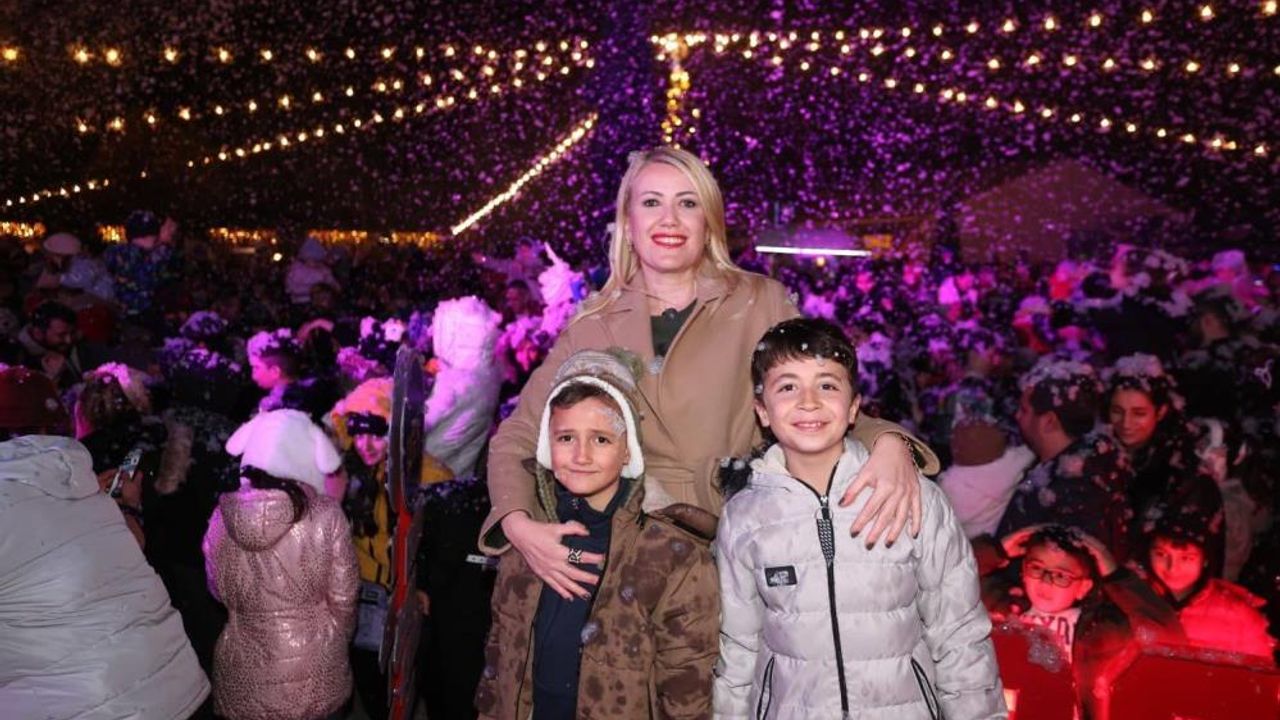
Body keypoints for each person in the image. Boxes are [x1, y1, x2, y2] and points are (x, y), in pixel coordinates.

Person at [483, 147, 938, 601]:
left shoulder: (759, 302)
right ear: (628, 223)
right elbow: (518, 435)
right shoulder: (593, 324)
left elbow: (816, 400)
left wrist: (888, 442)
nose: (669, 219)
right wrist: (519, 523)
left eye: (688, 202)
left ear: (709, 222)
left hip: (742, 551)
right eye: (651, 202)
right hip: (629, 567)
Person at [714, 318, 1004, 719]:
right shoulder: (744, 517)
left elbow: (960, 634)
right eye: (788, 387)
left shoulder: (915, 498)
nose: (809, 401)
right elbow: (739, 647)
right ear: (762, 410)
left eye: (827, 385)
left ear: (853, 407)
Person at [476, 349, 718, 719]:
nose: (581, 455)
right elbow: (500, 659)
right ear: (547, 446)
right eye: (566, 438)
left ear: (628, 451)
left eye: (601, 439)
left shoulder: (670, 555)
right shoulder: (527, 542)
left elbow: (687, 683)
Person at [0, 366, 210, 719]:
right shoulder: (83, 478)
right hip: (174, 686)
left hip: (91, 703)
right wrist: (124, 505)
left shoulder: (84, 473)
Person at [203, 409, 358, 720]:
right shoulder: (325, 516)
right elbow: (345, 599)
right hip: (313, 672)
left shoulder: (221, 517)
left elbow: (217, 589)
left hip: (243, 671)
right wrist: (334, 639)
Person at [983, 524, 1183, 718]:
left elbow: (1167, 636)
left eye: (1061, 575)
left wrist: (1115, 576)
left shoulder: (1100, 630)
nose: (1045, 580)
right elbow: (962, 591)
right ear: (1023, 572)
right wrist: (995, 551)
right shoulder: (1003, 608)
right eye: (1036, 568)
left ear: (1083, 587)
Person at [997, 359, 1133, 562]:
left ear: (1049, 421)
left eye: (1024, 410)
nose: (1017, 416)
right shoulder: (1089, 469)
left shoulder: (1073, 492)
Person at [1103, 353, 1224, 575]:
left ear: (1160, 412)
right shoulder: (1098, 459)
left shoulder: (1184, 475)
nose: (1126, 423)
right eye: (1117, 411)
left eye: (1139, 413)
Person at [1142, 514, 1276, 663]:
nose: (1172, 568)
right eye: (1161, 555)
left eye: (1186, 558)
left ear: (1205, 560)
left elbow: (1260, 672)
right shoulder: (1131, 602)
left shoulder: (1239, 617)